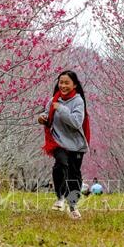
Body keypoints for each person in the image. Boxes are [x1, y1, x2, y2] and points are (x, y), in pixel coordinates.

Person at [37, 70, 91, 219]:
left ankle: (73, 206)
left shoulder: (78, 101)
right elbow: (47, 115)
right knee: (61, 164)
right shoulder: (53, 100)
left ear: (74, 85)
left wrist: (61, 109)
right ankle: (60, 197)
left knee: (74, 175)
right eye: (61, 82)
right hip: (58, 142)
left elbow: (76, 122)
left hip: (76, 145)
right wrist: (42, 118)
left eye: (67, 83)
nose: (63, 85)